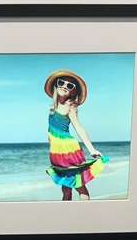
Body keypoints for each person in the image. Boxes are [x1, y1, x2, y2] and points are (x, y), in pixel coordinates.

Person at [44, 70, 108, 201]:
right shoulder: (53, 107)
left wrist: (91, 150)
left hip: (68, 150)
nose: (64, 86)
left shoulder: (70, 106)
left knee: (79, 185)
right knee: (66, 187)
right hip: (57, 153)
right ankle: (66, 212)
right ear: (56, 85)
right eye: (61, 82)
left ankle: (85, 211)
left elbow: (79, 128)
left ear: (73, 92)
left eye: (70, 85)